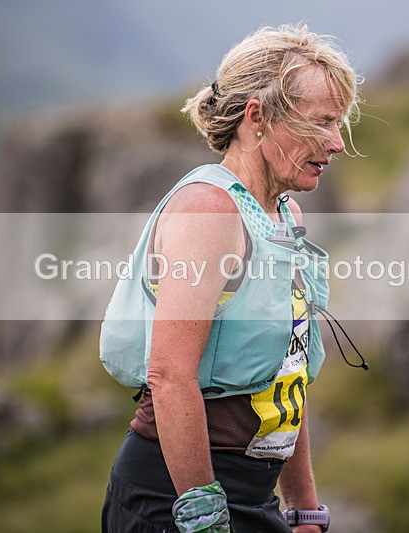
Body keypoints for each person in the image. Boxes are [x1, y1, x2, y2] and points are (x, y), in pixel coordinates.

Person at [100, 24, 361, 533]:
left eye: (339, 125)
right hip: (175, 500)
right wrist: (203, 515)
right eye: (322, 123)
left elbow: (289, 372)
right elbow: (170, 375)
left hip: (252, 498)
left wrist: (304, 507)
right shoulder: (209, 212)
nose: (336, 144)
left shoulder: (286, 216)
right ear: (257, 117)